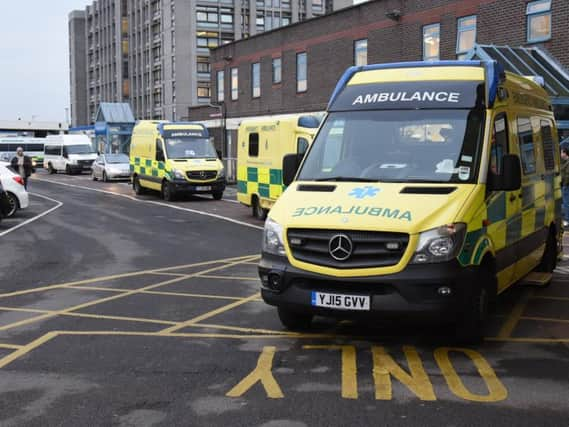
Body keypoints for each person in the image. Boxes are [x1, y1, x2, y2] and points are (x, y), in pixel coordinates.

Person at [561, 147, 569, 228]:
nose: (560, 154)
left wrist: (565, 184)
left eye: (561, 152)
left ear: (565, 153)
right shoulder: (565, 162)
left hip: (566, 185)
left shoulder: (568, 163)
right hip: (566, 185)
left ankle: (567, 220)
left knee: (566, 203)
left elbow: (567, 175)